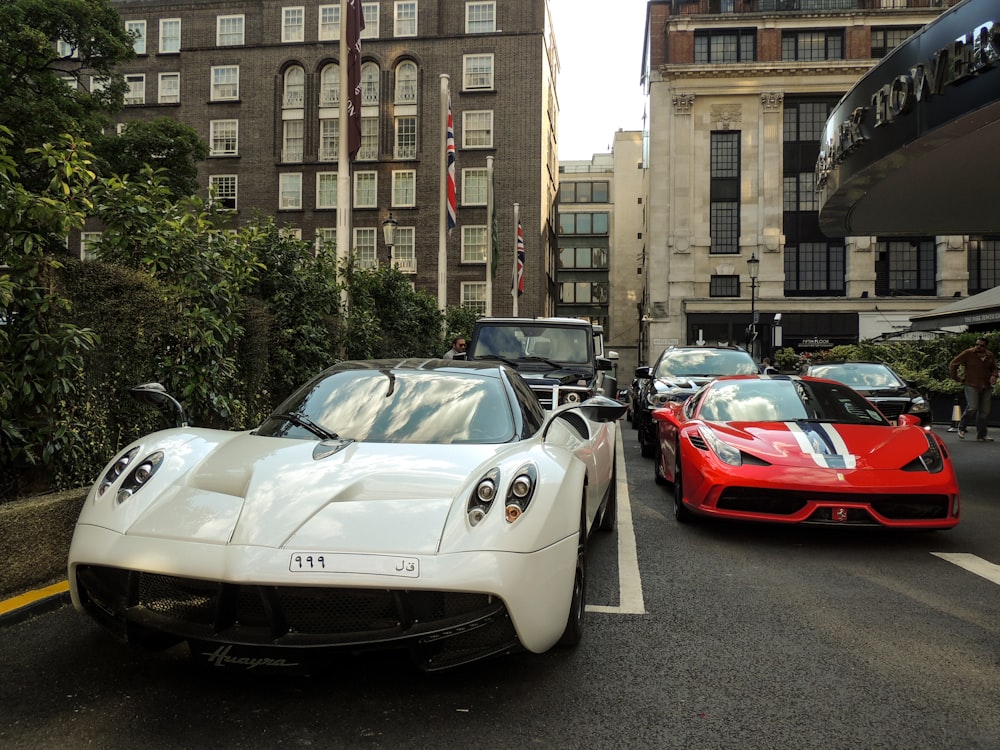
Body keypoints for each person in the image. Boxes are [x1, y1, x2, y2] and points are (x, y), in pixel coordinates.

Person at [949, 337, 998, 441]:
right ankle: (961, 427)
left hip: (986, 385)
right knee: (973, 407)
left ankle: (982, 435)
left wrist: (994, 375)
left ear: (986, 346)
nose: (978, 347)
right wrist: (957, 378)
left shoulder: (989, 355)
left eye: (981, 345)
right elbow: (953, 364)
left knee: (985, 411)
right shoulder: (968, 353)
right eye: (977, 345)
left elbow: (994, 367)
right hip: (972, 384)